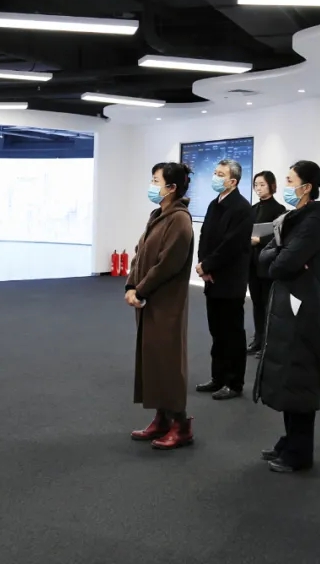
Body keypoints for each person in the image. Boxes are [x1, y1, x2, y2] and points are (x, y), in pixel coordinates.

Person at [253, 161, 320, 473]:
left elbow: (279, 264)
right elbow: (268, 258)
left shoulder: (313, 222)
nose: (286, 186)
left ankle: (300, 452)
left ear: (306, 187)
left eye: (290, 181)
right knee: (287, 375)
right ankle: (290, 440)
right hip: (288, 305)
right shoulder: (294, 218)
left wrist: (278, 255)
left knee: (299, 376)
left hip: (302, 309)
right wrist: (279, 254)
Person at [126, 162, 196, 450]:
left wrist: (141, 289)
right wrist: (131, 285)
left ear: (172, 187)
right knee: (153, 359)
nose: (152, 185)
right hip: (149, 301)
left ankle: (181, 424)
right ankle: (162, 417)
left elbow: (167, 264)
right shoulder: (158, 215)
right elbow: (140, 253)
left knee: (168, 362)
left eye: (156, 181)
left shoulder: (179, 219)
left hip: (166, 303)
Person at [195, 159, 254, 400]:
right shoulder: (214, 204)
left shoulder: (242, 208)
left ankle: (234, 382)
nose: (215, 177)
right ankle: (217, 377)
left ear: (233, 181)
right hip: (212, 279)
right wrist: (202, 265)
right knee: (217, 332)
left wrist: (208, 265)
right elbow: (204, 237)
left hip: (230, 280)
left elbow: (231, 245)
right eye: (215, 172)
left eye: (221, 174)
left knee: (232, 333)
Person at [247, 171, 287, 356]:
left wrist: (260, 241)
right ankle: (258, 339)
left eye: (262, 184)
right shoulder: (252, 209)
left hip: (268, 262)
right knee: (256, 303)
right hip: (252, 262)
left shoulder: (279, 209)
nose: (259, 188)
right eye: (256, 185)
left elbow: (279, 236)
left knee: (268, 304)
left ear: (271, 185)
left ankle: (268, 343)